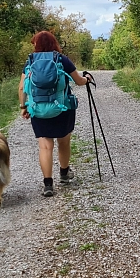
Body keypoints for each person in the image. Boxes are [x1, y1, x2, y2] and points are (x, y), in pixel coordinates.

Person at [19, 31, 93, 196]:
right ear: (54, 43)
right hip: (62, 108)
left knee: (45, 146)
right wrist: (87, 78)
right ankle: (64, 174)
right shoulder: (61, 59)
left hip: (38, 109)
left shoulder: (30, 61)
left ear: (36, 45)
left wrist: (24, 107)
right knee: (64, 142)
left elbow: (21, 87)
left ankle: (48, 185)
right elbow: (79, 81)